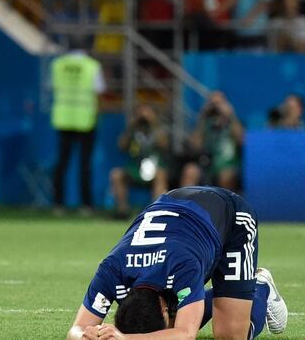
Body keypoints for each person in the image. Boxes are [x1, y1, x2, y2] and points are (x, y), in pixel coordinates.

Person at [66, 186, 288, 340]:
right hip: (178, 210)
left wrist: (125, 337)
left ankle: (260, 286)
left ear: (164, 309)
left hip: (231, 216)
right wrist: (87, 335)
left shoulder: (182, 266)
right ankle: (203, 298)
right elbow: (75, 330)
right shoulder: (112, 270)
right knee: (178, 318)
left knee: (231, 335)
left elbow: (185, 333)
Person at [50, 39, 105, 215]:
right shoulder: (92, 66)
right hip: (85, 119)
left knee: (61, 164)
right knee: (85, 164)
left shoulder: (58, 64)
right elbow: (100, 91)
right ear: (85, 48)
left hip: (64, 118)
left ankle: (58, 205)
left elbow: (52, 87)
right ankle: (86, 205)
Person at [110, 104, 168, 219]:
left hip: (153, 166)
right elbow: (122, 145)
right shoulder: (133, 130)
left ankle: (156, 211)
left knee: (160, 174)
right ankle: (122, 211)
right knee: (116, 174)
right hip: (135, 167)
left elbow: (164, 145)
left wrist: (153, 123)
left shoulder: (158, 129)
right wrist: (133, 126)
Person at [181, 92, 244, 191]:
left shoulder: (233, 124)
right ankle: (187, 205)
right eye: (213, 104)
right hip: (207, 166)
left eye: (219, 103)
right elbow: (195, 146)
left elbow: (242, 141)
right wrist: (202, 119)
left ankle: (225, 205)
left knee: (226, 175)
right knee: (190, 171)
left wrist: (231, 116)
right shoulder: (205, 124)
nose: (216, 108)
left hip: (228, 165)